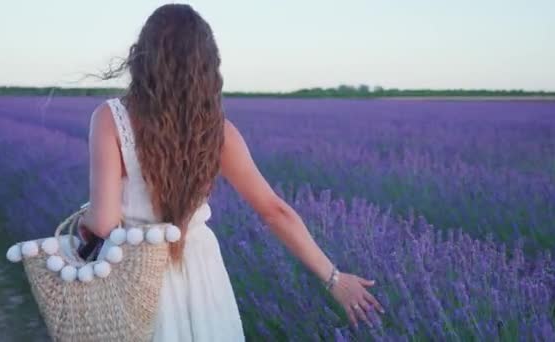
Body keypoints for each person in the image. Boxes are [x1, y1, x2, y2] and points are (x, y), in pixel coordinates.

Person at [76, 3, 384, 340]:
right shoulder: (217, 131)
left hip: (134, 274)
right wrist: (334, 278)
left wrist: (85, 222)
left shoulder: (110, 118)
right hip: (201, 271)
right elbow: (275, 210)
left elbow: (103, 222)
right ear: (205, 67)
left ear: (143, 58)